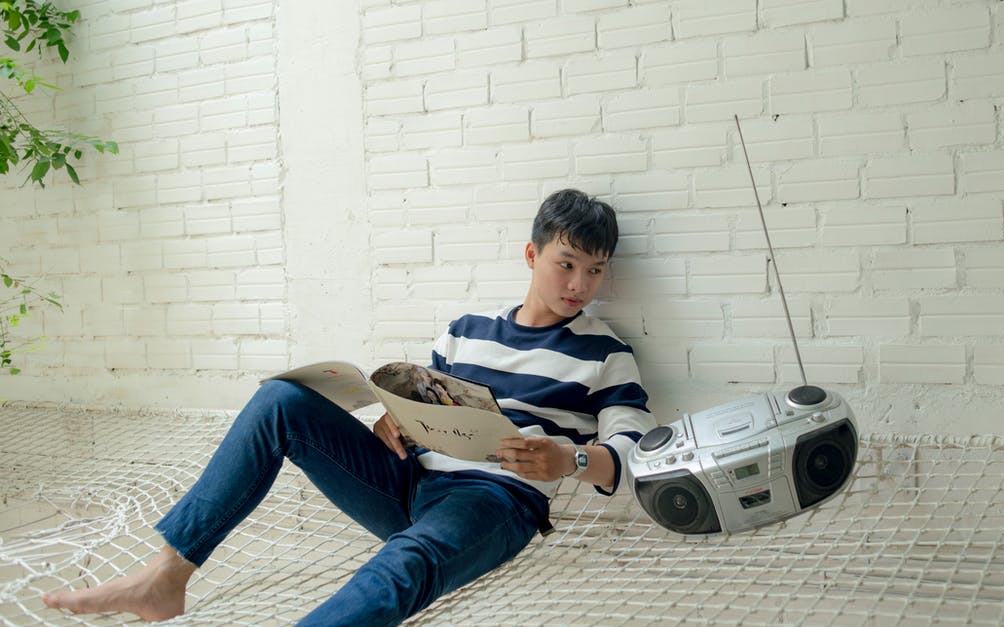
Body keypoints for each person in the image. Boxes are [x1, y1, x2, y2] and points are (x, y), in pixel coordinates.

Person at [42, 189, 655, 625]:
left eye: (595, 271)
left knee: (404, 562)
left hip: (497, 502)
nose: (579, 285)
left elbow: (635, 456)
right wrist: (401, 421)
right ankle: (166, 577)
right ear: (531, 255)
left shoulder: (605, 353)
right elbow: (434, 406)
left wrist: (570, 459)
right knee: (281, 399)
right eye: (566, 264)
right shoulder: (465, 330)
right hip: (409, 482)